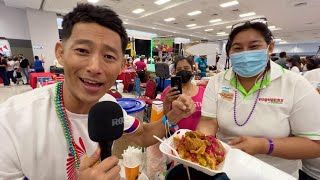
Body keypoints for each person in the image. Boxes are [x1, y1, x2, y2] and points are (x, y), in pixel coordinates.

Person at [0, 4, 195, 180]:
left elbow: (143, 134)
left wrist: (174, 115)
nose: (95, 67)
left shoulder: (108, 105)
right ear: (60, 53)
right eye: (83, 51)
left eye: (109, 56)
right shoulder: (11, 121)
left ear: (121, 65)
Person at [197, 20, 320, 178]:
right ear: (229, 52)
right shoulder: (217, 81)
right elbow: (209, 121)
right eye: (238, 48)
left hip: (276, 173)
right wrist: (200, 143)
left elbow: (315, 144)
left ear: (270, 47)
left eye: (254, 46)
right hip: (225, 169)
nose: (245, 53)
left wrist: (265, 145)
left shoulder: (295, 84)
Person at [161, 56, 205, 131]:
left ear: (192, 71)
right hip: (174, 136)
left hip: (197, 136)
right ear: (175, 72)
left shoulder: (203, 92)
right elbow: (163, 120)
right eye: (179, 69)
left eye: (186, 68)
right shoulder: (169, 91)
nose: (183, 71)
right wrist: (166, 102)